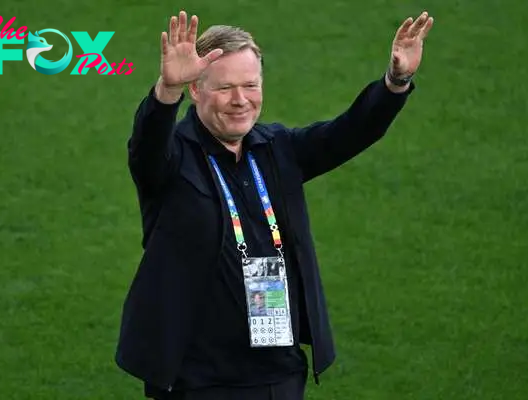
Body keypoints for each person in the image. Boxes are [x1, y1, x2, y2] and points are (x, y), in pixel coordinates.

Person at [115, 9, 434, 400]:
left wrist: (396, 81)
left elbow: (349, 132)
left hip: (278, 373)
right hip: (198, 379)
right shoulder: (172, 159)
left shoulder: (276, 149)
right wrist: (166, 92)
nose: (239, 100)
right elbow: (146, 148)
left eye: (250, 85)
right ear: (195, 90)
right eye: (224, 88)